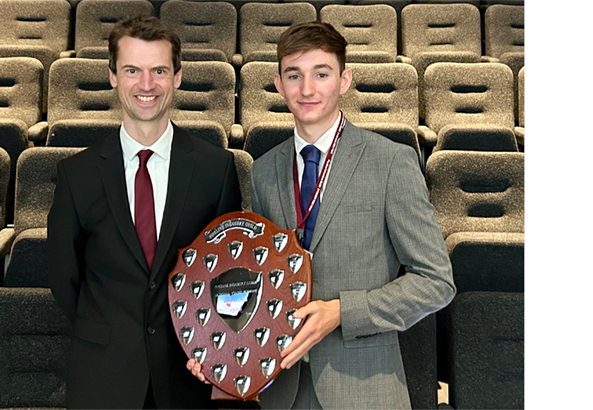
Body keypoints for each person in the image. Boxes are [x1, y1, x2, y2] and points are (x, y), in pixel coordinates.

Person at [188, 22, 455, 410]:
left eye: (322, 74)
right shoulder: (263, 171)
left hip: (366, 390)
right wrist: (214, 348)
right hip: (281, 388)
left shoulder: (391, 162)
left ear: (344, 80)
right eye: (294, 76)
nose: (307, 89)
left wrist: (343, 312)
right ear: (278, 84)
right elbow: (256, 282)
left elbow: (435, 282)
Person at [48, 15, 242, 410]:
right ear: (112, 77)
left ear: (178, 77)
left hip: (188, 372)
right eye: (132, 70)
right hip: (102, 373)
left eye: (159, 71)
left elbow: (227, 276)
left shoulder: (216, 169)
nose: (147, 84)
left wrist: (207, 342)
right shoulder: (76, 174)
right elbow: (64, 277)